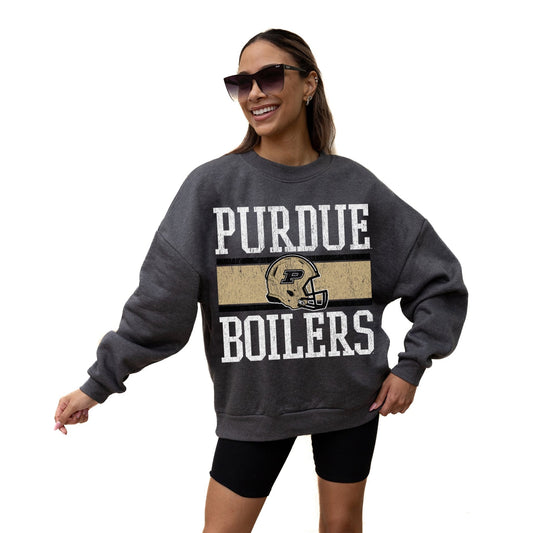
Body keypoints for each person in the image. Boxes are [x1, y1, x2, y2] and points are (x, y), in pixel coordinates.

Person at [55, 29, 468, 533]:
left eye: (270, 76)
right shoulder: (212, 188)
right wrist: (97, 385)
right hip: (255, 406)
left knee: (342, 527)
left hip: (352, 402)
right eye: (241, 83)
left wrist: (411, 366)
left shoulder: (357, 187)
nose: (254, 93)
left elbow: (439, 280)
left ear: (309, 84)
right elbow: (160, 304)